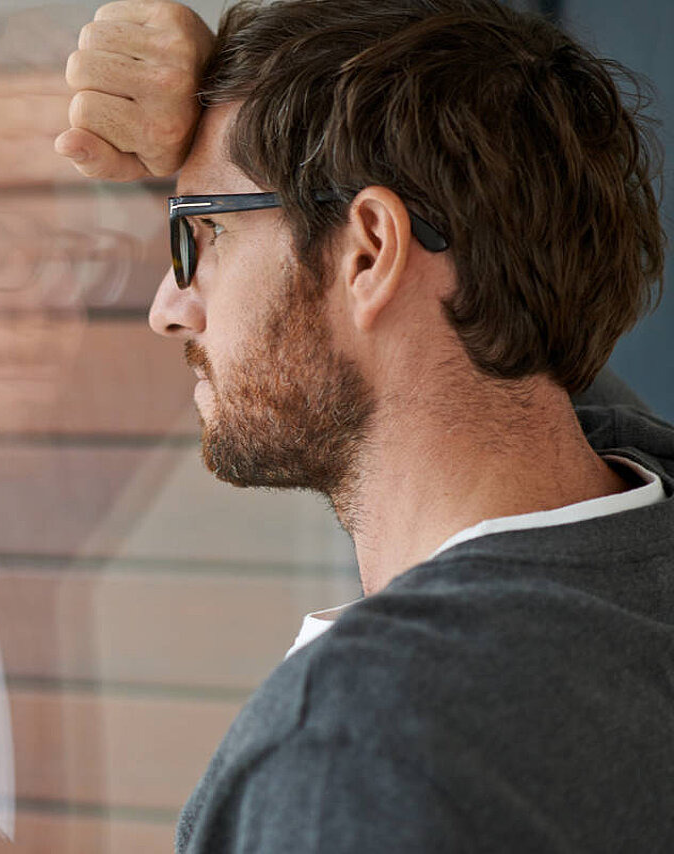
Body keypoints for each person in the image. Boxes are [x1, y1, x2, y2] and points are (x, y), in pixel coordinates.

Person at [58, 0, 674, 851]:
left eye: (200, 233)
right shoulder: (638, 533)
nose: (170, 307)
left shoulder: (358, 742)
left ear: (369, 251)